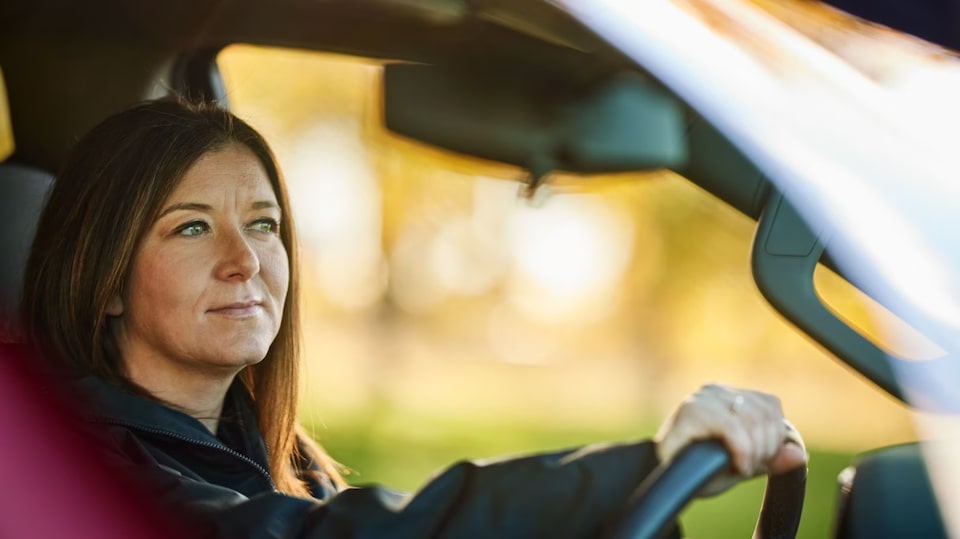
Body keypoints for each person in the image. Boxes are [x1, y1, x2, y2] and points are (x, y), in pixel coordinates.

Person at [19, 97, 807, 538]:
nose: (245, 259)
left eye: (263, 223)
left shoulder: (280, 456)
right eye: (191, 226)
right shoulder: (65, 474)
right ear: (108, 278)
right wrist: (625, 471)